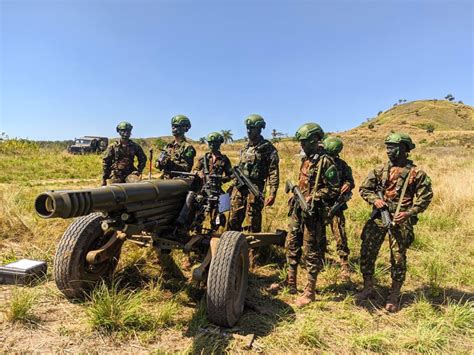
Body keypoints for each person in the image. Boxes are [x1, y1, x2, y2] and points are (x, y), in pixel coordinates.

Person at [356, 132, 433, 312]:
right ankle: (368, 287)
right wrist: (375, 199)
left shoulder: (417, 173)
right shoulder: (380, 170)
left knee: (398, 256)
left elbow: (425, 197)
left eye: (393, 147)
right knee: (367, 250)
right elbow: (364, 188)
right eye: (388, 147)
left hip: (400, 220)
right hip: (379, 216)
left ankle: (394, 294)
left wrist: (409, 213)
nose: (389, 151)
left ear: (405, 149)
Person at [271, 123, 340, 307]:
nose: (301, 145)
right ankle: (291, 282)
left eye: (305, 142)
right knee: (291, 243)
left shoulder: (326, 162)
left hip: (313, 213)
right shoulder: (306, 159)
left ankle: (310, 291)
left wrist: (314, 197)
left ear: (315, 141)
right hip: (298, 209)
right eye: (301, 142)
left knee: (311, 250)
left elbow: (334, 189)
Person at [227, 114, 279, 263]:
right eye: (248, 128)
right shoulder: (245, 146)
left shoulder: (268, 148)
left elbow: (273, 172)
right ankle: (230, 253)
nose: (249, 131)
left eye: (253, 128)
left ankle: (253, 257)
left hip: (255, 188)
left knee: (253, 223)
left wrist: (272, 192)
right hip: (239, 188)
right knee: (234, 219)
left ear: (260, 129)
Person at [323, 136, 355, 279]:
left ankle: (344, 264)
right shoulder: (319, 162)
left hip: (336, 204)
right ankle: (320, 258)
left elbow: (350, 180)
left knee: (340, 235)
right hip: (320, 203)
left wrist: (348, 184)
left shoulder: (342, 165)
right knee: (316, 234)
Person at [102, 121, 147, 186]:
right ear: (119, 132)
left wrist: (138, 171)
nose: (126, 133)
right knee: (115, 191)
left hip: (130, 174)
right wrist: (104, 178)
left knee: (138, 186)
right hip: (116, 175)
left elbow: (143, 159)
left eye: (128, 131)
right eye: (123, 131)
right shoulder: (113, 147)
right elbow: (106, 163)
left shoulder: (135, 146)